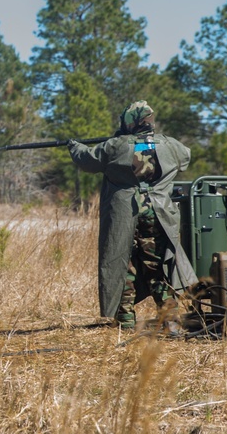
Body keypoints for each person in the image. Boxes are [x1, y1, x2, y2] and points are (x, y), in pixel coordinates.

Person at [68, 101, 198, 328]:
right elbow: (186, 157)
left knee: (122, 265)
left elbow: (87, 160)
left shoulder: (115, 146)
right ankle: (172, 323)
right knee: (160, 265)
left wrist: (73, 146)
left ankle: (125, 321)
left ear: (128, 122)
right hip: (160, 215)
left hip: (124, 215)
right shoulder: (171, 145)